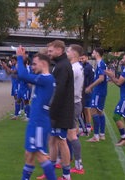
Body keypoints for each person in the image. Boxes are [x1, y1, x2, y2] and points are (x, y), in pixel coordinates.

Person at [16, 46, 56, 180]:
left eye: (34, 64)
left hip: (39, 122)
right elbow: (25, 77)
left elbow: (22, 75)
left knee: (39, 154)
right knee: (29, 154)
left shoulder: (46, 79)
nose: (32, 67)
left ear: (43, 63)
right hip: (36, 121)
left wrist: (20, 58)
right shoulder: (43, 78)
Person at [43, 40, 74, 180]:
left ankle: (67, 176)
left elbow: (59, 90)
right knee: (52, 140)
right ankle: (50, 172)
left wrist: (50, 108)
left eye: (51, 51)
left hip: (61, 112)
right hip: (57, 111)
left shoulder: (63, 66)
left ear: (60, 50)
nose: (48, 53)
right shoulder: (59, 65)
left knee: (62, 141)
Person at [105, 52, 125, 146]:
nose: (122, 59)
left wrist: (111, 76)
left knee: (116, 116)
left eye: (123, 58)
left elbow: (119, 83)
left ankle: (124, 137)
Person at [66, 44, 85, 174]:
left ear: (74, 54)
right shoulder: (77, 67)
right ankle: (67, 159)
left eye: (68, 51)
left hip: (72, 104)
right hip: (75, 103)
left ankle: (78, 165)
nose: (66, 52)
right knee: (70, 134)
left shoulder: (74, 69)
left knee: (71, 135)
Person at [85, 47, 108, 142]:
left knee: (93, 111)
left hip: (99, 91)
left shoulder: (100, 64)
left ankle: (96, 136)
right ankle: (102, 134)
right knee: (99, 112)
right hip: (100, 91)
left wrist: (90, 86)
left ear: (97, 53)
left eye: (94, 52)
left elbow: (101, 78)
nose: (92, 53)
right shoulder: (101, 64)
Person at [81, 54, 94, 135]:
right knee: (84, 109)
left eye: (83, 58)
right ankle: (85, 126)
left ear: (87, 58)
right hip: (86, 90)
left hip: (86, 90)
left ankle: (88, 127)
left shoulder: (87, 67)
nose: (81, 59)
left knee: (86, 109)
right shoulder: (88, 67)